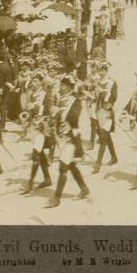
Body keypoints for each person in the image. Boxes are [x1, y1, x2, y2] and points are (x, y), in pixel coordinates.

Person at [46, 76, 89, 208]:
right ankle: (84, 188)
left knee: (63, 167)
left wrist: (59, 113)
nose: (60, 87)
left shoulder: (75, 100)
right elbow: (57, 117)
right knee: (71, 165)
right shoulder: (60, 99)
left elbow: (74, 117)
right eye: (61, 84)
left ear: (70, 87)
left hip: (71, 137)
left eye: (63, 85)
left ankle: (57, 197)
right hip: (61, 137)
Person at [91, 61, 118, 174]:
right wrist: (95, 95)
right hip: (99, 111)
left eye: (103, 69)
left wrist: (105, 96)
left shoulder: (112, 82)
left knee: (103, 137)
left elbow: (114, 97)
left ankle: (98, 163)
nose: (101, 72)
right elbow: (92, 96)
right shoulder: (96, 82)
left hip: (107, 112)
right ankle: (114, 157)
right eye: (99, 69)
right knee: (105, 136)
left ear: (106, 70)